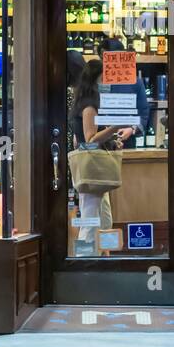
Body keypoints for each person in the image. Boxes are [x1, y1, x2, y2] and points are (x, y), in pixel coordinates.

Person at [70, 58, 125, 239]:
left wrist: (110, 141)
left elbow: (79, 142)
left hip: (92, 170)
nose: (107, 83)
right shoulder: (89, 106)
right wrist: (115, 127)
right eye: (105, 78)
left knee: (103, 220)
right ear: (95, 79)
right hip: (92, 170)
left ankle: (100, 260)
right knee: (91, 222)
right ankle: (84, 262)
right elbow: (90, 140)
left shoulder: (84, 103)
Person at [99, 36, 149, 149]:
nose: (105, 62)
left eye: (108, 57)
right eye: (102, 58)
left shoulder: (135, 82)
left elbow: (144, 113)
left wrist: (132, 129)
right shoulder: (96, 81)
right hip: (99, 143)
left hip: (127, 143)